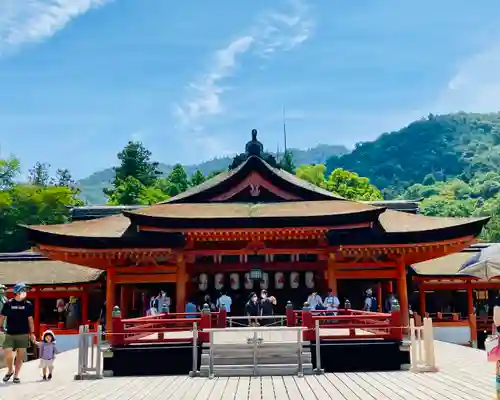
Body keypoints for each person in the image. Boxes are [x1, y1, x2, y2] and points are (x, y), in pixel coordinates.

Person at [0, 282, 36, 384]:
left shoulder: (28, 305)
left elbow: (30, 320)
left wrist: (32, 333)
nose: (25, 292)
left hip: (23, 333)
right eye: (23, 290)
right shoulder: (8, 304)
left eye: (26, 291)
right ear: (17, 292)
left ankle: (16, 375)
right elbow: (2, 317)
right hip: (10, 332)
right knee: (8, 353)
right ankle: (10, 370)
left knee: (20, 355)